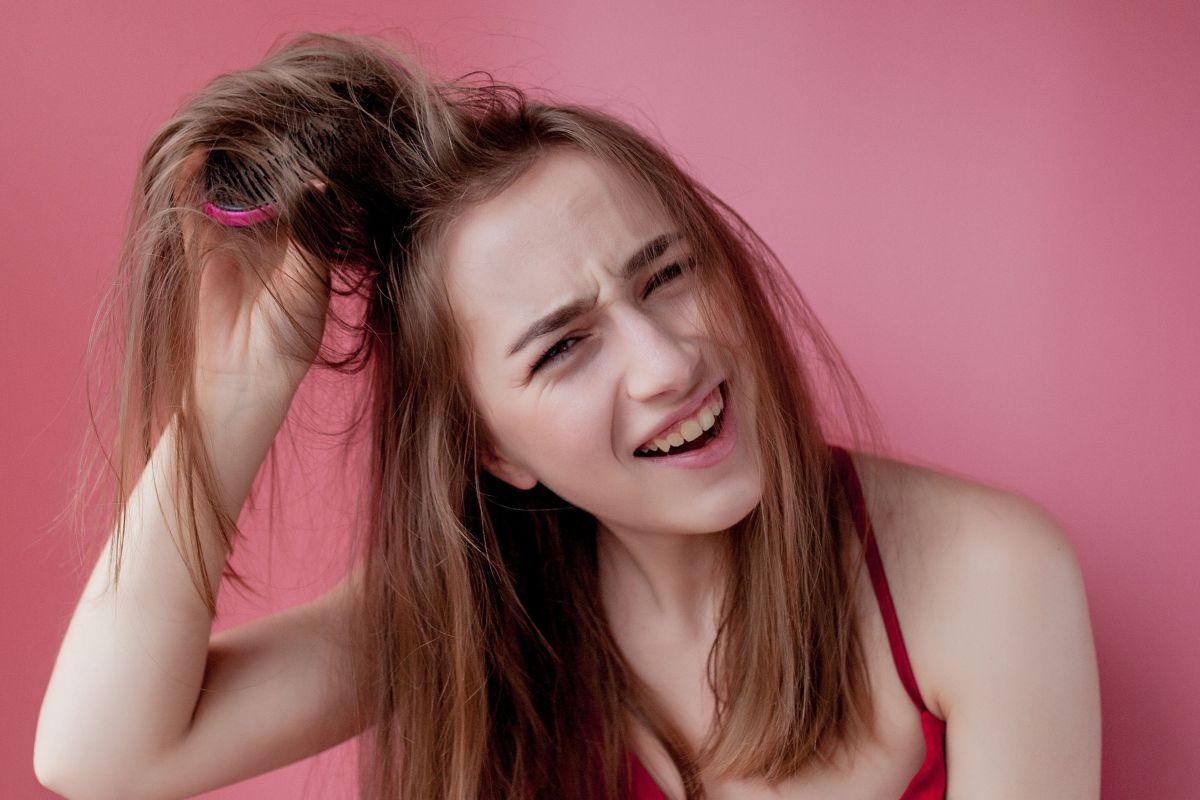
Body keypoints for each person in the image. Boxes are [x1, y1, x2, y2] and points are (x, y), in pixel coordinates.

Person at [33, 31, 1101, 800]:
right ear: (493, 447)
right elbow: (101, 758)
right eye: (565, 344)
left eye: (669, 272)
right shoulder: (476, 611)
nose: (667, 361)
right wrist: (237, 392)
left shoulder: (985, 573)